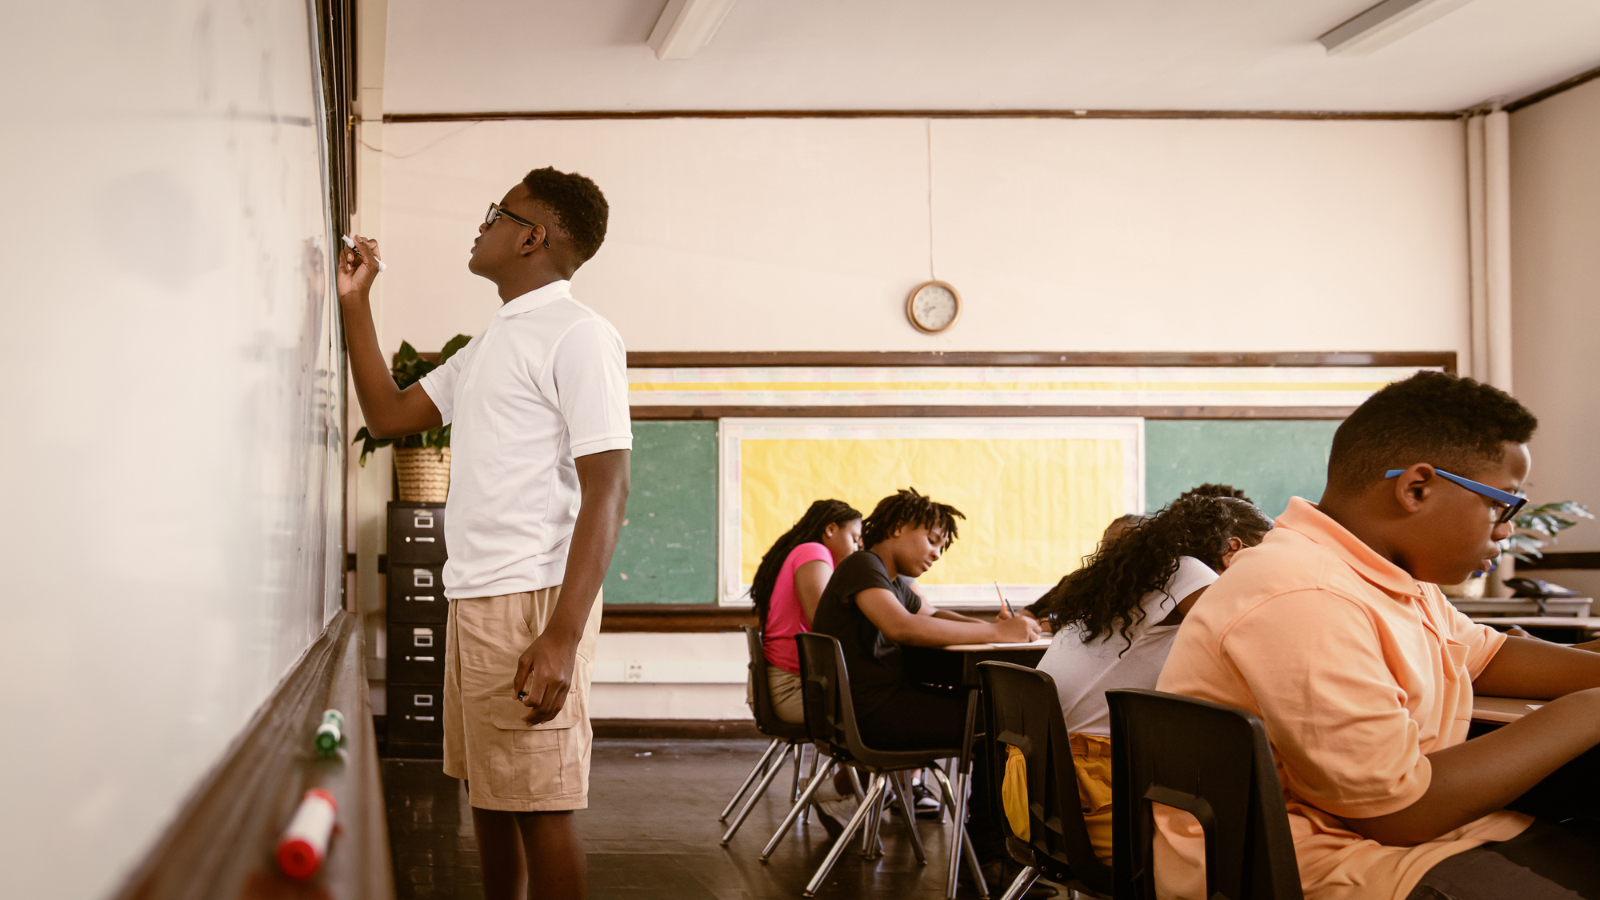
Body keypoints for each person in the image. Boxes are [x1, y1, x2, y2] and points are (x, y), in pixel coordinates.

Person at [1156, 371, 1600, 900]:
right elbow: (1398, 813)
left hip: (1377, 831)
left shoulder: (1382, 572)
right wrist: (1587, 710)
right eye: (1502, 503)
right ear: (1417, 489)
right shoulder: (1305, 593)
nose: (1505, 528)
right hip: (1305, 861)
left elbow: (1484, 656)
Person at [337, 166, 629, 900]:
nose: (483, 223)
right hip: (476, 595)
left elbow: (608, 489)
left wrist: (561, 634)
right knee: (494, 799)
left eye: (497, 212)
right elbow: (389, 416)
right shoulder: (491, 342)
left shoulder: (580, 335)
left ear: (533, 236)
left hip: (533, 599)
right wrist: (354, 302)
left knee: (542, 808)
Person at [809, 488, 1047, 892]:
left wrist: (996, 626)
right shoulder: (861, 566)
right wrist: (994, 632)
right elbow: (903, 626)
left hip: (868, 710)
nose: (937, 553)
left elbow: (931, 613)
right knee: (999, 723)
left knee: (993, 714)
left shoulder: (886, 579)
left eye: (942, 546)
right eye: (932, 540)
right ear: (898, 527)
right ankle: (988, 858)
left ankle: (990, 854)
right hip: (874, 715)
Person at [1029, 494, 1272, 862]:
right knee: (1256, 844)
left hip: (1042, 792)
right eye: (1266, 557)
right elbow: (1254, 644)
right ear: (1233, 549)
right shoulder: (1189, 573)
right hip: (1089, 796)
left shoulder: (1143, 578)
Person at [747, 499, 863, 723]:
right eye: (855, 539)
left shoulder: (806, 553)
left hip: (782, 686)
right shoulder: (814, 551)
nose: (858, 548)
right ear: (830, 529)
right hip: (790, 690)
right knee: (880, 707)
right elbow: (825, 622)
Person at [1023, 513, 1147, 628]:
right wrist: (1017, 617)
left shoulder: (1141, 589)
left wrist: (1051, 625)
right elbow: (1032, 611)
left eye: (1119, 545)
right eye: (1106, 545)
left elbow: (1097, 624)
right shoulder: (1078, 580)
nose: (1108, 552)